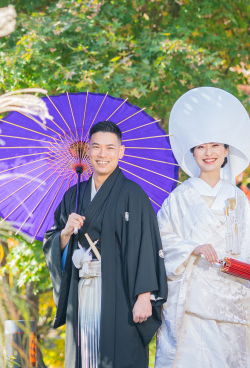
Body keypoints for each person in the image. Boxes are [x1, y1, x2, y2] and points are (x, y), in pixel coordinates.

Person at [155, 87, 250, 368]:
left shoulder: (238, 199)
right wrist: (192, 248)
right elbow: (160, 240)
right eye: (200, 146)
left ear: (225, 150)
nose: (208, 152)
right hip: (192, 308)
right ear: (193, 152)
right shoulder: (180, 198)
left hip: (233, 306)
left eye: (214, 145)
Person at [43, 120, 168, 368]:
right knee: (85, 355)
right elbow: (52, 242)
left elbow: (147, 246)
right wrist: (66, 233)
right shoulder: (73, 196)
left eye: (110, 148)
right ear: (88, 150)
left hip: (121, 292)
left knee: (121, 355)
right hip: (81, 291)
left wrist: (144, 296)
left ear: (121, 152)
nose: (103, 154)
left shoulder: (134, 195)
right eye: (97, 147)